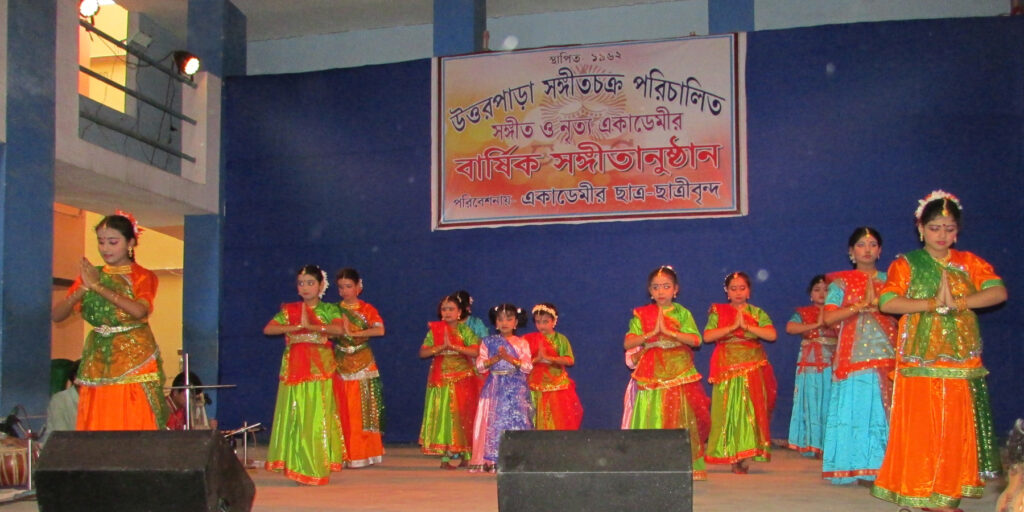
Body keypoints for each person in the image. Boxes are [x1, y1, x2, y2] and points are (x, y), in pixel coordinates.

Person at [871, 191, 1007, 511]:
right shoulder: (906, 264)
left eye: (948, 228)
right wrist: (933, 304)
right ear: (921, 229)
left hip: (960, 361)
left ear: (957, 231)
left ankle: (946, 494)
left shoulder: (970, 263)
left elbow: (998, 292)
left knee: (955, 429)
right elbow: (888, 302)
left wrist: (959, 302)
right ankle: (918, 492)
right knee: (921, 428)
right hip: (919, 361)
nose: (941, 235)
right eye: (934, 228)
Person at [51, 212, 167, 430]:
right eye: (101, 242)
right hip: (97, 357)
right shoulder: (91, 274)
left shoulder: (142, 276)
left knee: (131, 419)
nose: (105, 248)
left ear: (130, 243)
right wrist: (84, 287)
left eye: (113, 242)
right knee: (98, 418)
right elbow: (57, 315)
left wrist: (97, 287)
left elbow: (139, 311)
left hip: (134, 359)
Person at [819, 227, 897, 485]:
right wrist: (859, 306)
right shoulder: (840, 283)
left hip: (888, 354)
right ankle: (856, 467)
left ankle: (886, 467)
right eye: (861, 245)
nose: (867, 249)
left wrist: (882, 306)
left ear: (880, 250)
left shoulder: (892, 280)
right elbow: (828, 317)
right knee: (858, 409)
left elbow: (904, 312)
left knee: (885, 411)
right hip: (853, 357)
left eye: (872, 244)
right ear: (851, 252)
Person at [622, 266, 709, 480]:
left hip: (678, 370)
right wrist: (651, 334)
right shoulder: (641, 314)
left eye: (666, 286)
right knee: (651, 413)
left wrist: (671, 333)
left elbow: (696, 340)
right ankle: (650, 463)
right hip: (650, 370)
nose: (661, 291)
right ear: (650, 291)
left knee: (680, 415)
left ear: (675, 289)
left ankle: (682, 464)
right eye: (656, 287)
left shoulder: (682, 313)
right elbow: (628, 343)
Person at [263, 265, 346, 485]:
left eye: (310, 283)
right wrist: (293, 327)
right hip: (294, 370)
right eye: (301, 283)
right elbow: (269, 329)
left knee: (316, 419)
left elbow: (339, 330)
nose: (305, 287)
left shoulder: (329, 309)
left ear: (321, 285)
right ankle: (296, 465)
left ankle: (315, 467)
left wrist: (312, 327)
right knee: (295, 417)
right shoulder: (290, 310)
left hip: (320, 371)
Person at [703, 271, 777, 474]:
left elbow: (771, 335)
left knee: (749, 412)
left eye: (742, 288)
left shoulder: (757, 313)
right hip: (726, 367)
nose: (738, 292)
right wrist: (732, 327)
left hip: (752, 366)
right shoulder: (718, 312)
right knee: (727, 412)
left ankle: (744, 456)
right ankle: (730, 453)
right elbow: (707, 336)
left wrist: (747, 326)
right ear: (727, 292)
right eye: (733, 289)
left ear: (749, 291)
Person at [418, 294, 481, 469]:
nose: (447, 312)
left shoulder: (464, 330)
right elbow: (423, 352)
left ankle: (466, 455)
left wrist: (454, 347)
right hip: (441, 380)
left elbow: (476, 351)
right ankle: (445, 459)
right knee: (444, 418)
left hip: (463, 378)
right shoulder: (435, 330)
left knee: (463, 416)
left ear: (459, 312)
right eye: (444, 309)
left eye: (451, 309)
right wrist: (439, 348)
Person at [468, 304, 533, 473]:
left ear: (516, 323)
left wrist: (509, 358)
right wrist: (496, 358)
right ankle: (490, 460)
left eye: (509, 319)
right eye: (500, 319)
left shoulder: (522, 343)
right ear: (495, 323)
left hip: (515, 387)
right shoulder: (488, 342)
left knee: (515, 420)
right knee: (492, 421)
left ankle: (514, 459)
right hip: (494, 386)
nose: (504, 323)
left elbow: (527, 367)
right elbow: (480, 366)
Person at [332, 267, 386, 468]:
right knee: (341, 409)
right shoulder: (333, 310)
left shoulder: (367, 309)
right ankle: (342, 453)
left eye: (348, 286)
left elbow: (380, 330)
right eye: (341, 287)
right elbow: (327, 331)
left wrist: (354, 334)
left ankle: (362, 454)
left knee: (361, 411)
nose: (344, 291)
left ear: (358, 287)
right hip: (340, 363)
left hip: (363, 363)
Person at [785, 275, 837, 458]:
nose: (822, 293)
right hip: (810, 366)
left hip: (834, 364)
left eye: (826, 290)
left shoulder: (838, 312)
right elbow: (790, 328)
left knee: (831, 403)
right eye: (817, 290)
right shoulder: (803, 313)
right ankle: (813, 444)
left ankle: (829, 445)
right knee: (812, 403)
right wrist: (816, 325)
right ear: (810, 294)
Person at [525, 303, 583, 431]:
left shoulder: (560, 339)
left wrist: (550, 359)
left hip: (557, 385)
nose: (541, 326)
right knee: (535, 415)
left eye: (545, 322)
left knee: (557, 417)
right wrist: (537, 360)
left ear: (554, 321)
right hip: (535, 384)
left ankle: (556, 440)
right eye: (538, 322)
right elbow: (524, 363)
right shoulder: (530, 339)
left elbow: (569, 360)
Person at [41, 360, 80, 445]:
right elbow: (62, 436)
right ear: (76, 378)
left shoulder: (96, 401)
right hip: (58, 449)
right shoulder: (60, 400)